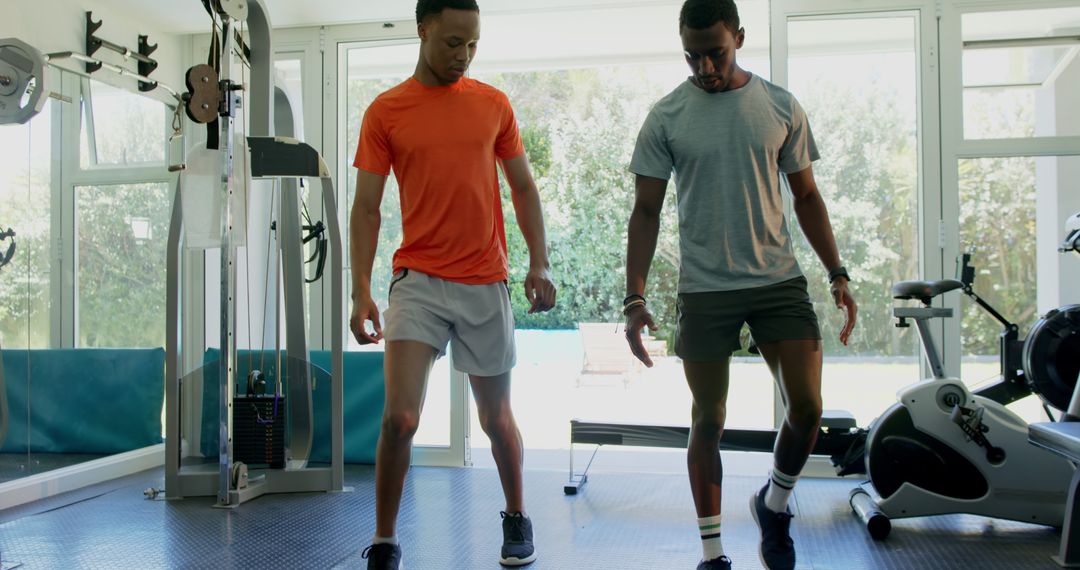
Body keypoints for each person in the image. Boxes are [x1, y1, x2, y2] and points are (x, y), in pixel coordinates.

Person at [623, 1, 858, 569]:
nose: (704, 66)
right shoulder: (666, 116)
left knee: (807, 408)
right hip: (704, 289)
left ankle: (773, 506)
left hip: (778, 280)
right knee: (709, 418)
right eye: (693, 54)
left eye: (716, 53)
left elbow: (806, 197)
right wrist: (635, 296)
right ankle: (712, 554)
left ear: (740, 38)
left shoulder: (779, 105)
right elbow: (646, 213)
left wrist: (838, 273)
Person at [349, 1, 556, 568]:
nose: (462, 55)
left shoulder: (492, 105)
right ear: (423, 31)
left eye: (472, 44)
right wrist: (360, 290)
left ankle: (516, 516)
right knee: (400, 419)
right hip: (417, 281)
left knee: (496, 420)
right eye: (452, 43)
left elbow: (523, 189)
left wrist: (540, 262)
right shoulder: (386, 111)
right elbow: (366, 208)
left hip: (484, 281)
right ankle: (386, 539)